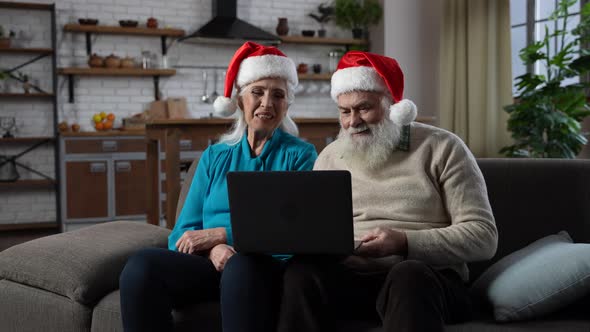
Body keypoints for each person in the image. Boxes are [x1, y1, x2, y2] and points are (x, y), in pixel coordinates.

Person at [277, 51, 498, 332]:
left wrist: (404, 242)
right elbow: (318, 231)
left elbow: (483, 237)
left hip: (428, 281)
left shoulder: (444, 148)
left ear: (393, 106)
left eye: (364, 108)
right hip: (354, 277)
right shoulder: (330, 157)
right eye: (345, 112)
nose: (353, 122)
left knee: (409, 274)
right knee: (301, 272)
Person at [119, 41, 317, 332]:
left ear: (287, 104)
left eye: (278, 95)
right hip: (210, 264)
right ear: (240, 100)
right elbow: (181, 233)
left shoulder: (301, 155)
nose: (267, 103)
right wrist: (213, 249)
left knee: (241, 266)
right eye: (257, 92)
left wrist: (222, 235)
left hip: (263, 267)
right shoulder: (215, 155)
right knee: (141, 267)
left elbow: (293, 230)